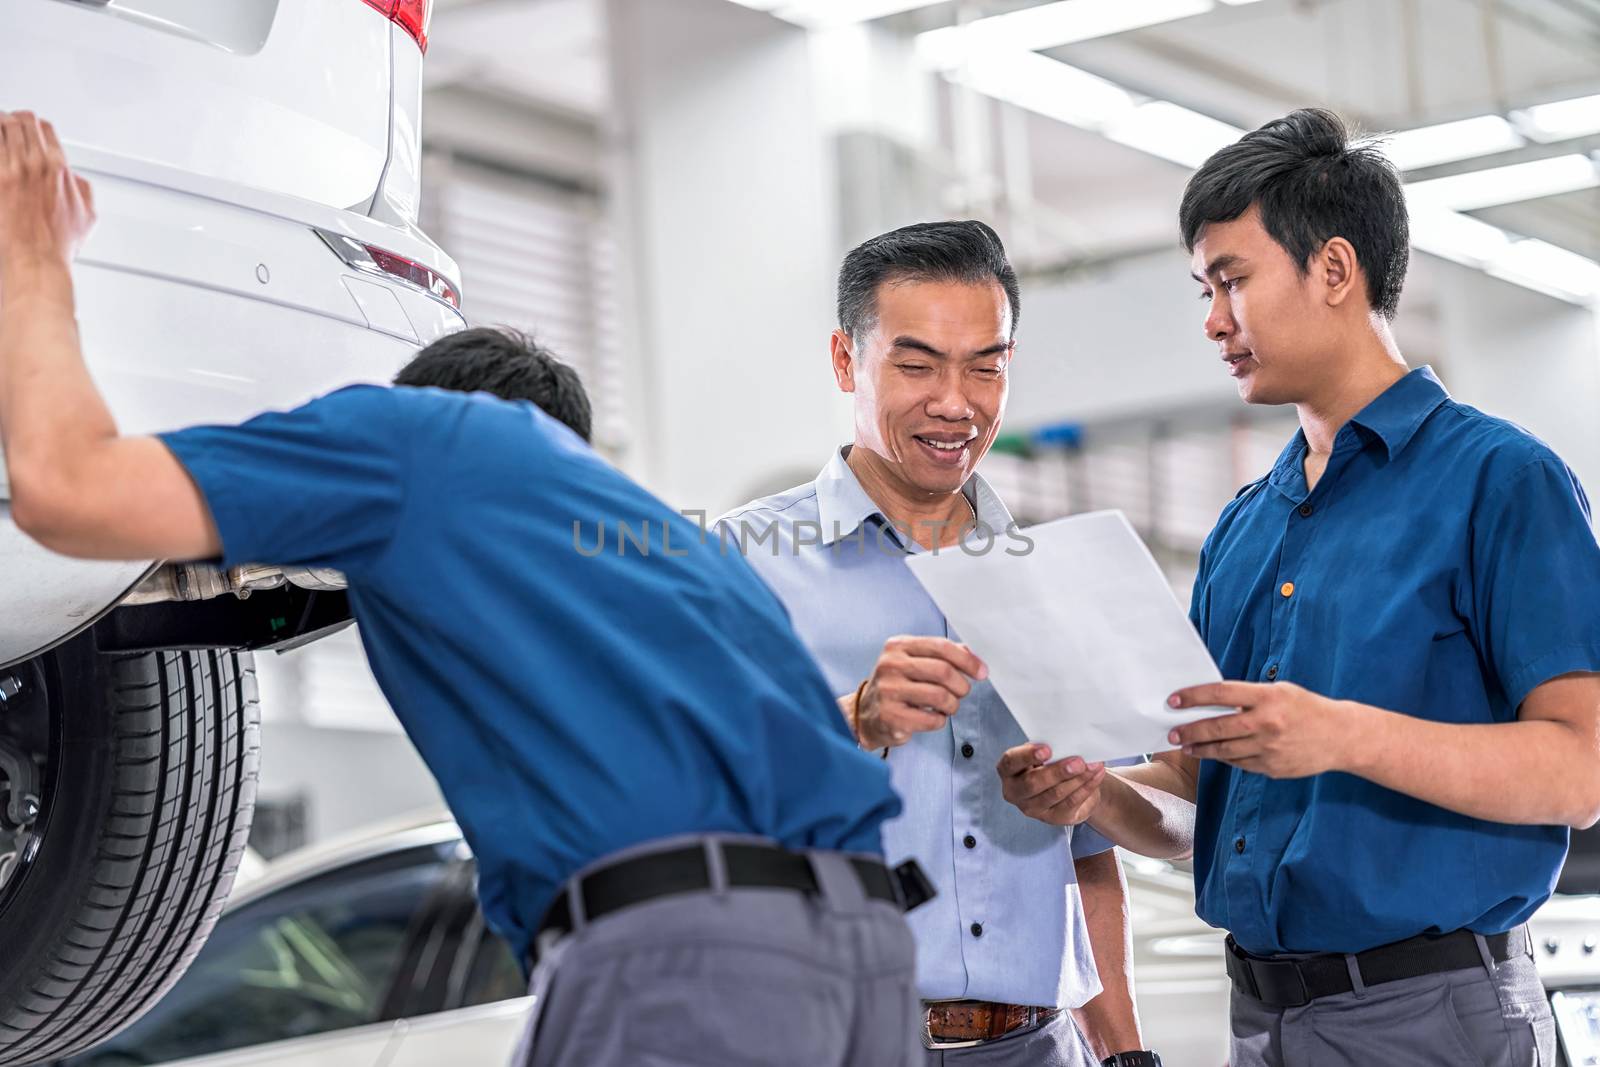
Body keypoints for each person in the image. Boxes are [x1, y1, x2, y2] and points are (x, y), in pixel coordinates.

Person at [0, 110, 922, 1067]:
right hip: (869, 958)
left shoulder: (417, 441)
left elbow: (67, 493)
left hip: (684, 959)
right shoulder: (678, 549)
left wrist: (33, 250)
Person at [997, 108, 1600, 1067]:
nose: (1212, 320)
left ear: (1332, 269)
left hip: (1435, 1014)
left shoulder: (1499, 481)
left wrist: (1336, 734)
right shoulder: (1245, 526)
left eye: (1232, 280)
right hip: (1265, 1020)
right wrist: (1093, 796)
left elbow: (1579, 772)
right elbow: (1198, 799)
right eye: (1203, 288)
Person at [719, 221, 1162, 1067]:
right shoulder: (744, 564)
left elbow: (1090, 854)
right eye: (917, 365)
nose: (956, 402)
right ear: (847, 361)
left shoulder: (1055, 579)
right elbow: (685, 792)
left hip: (1041, 1047)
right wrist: (851, 718)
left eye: (986, 366)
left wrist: (1126, 1055)